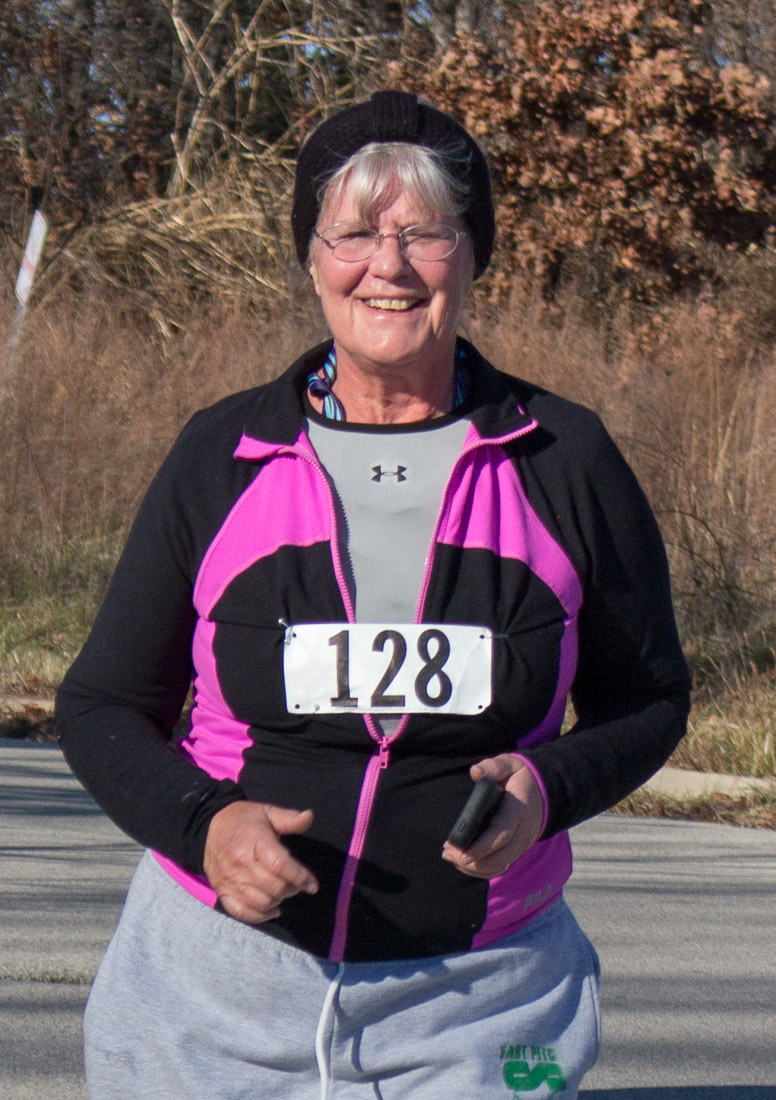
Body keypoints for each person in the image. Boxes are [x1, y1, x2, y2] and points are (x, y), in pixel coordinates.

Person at [55, 90, 691, 1099]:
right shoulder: (221, 455)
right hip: (209, 1000)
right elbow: (100, 705)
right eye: (352, 234)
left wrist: (548, 788)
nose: (386, 267)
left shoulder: (564, 458)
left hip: (482, 1002)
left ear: (471, 257)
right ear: (311, 259)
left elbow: (648, 699)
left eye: (424, 233)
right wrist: (204, 825)